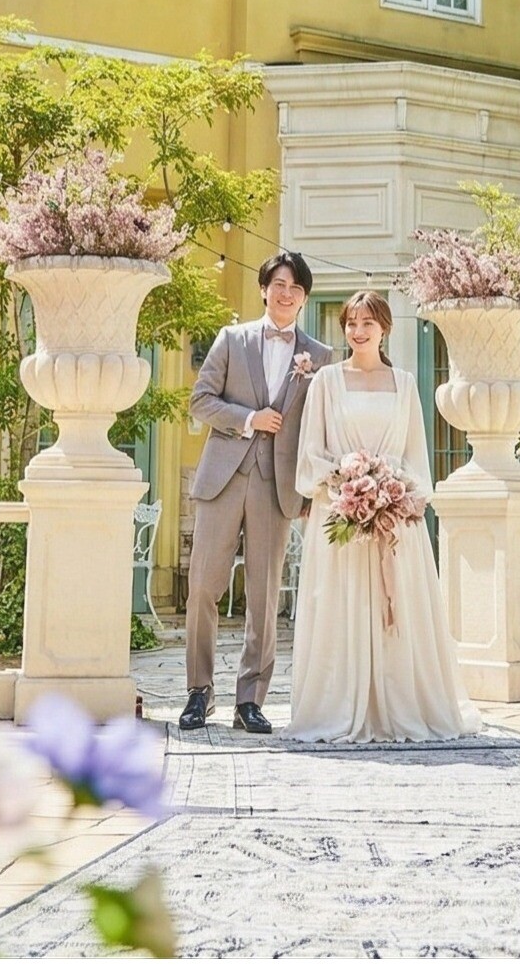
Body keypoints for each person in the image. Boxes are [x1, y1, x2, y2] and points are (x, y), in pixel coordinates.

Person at [288, 290, 480, 743]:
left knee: (396, 614)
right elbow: (310, 455)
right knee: (342, 609)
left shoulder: (407, 385)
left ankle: (400, 705)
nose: (357, 332)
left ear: (384, 328)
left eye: (367, 324)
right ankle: (340, 706)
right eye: (351, 324)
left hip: (395, 520)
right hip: (340, 519)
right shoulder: (325, 383)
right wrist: (347, 483)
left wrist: (395, 494)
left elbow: (417, 455)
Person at [180, 251, 332, 734]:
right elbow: (201, 400)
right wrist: (248, 420)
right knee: (203, 586)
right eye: (279, 284)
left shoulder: (320, 356)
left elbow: (317, 427)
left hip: (278, 487)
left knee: (265, 597)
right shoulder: (232, 339)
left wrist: (311, 490)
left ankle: (251, 699)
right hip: (223, 478)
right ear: (264, 288)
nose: (287, 293)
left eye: (296, 288)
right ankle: (199, 692)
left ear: (304, 298)